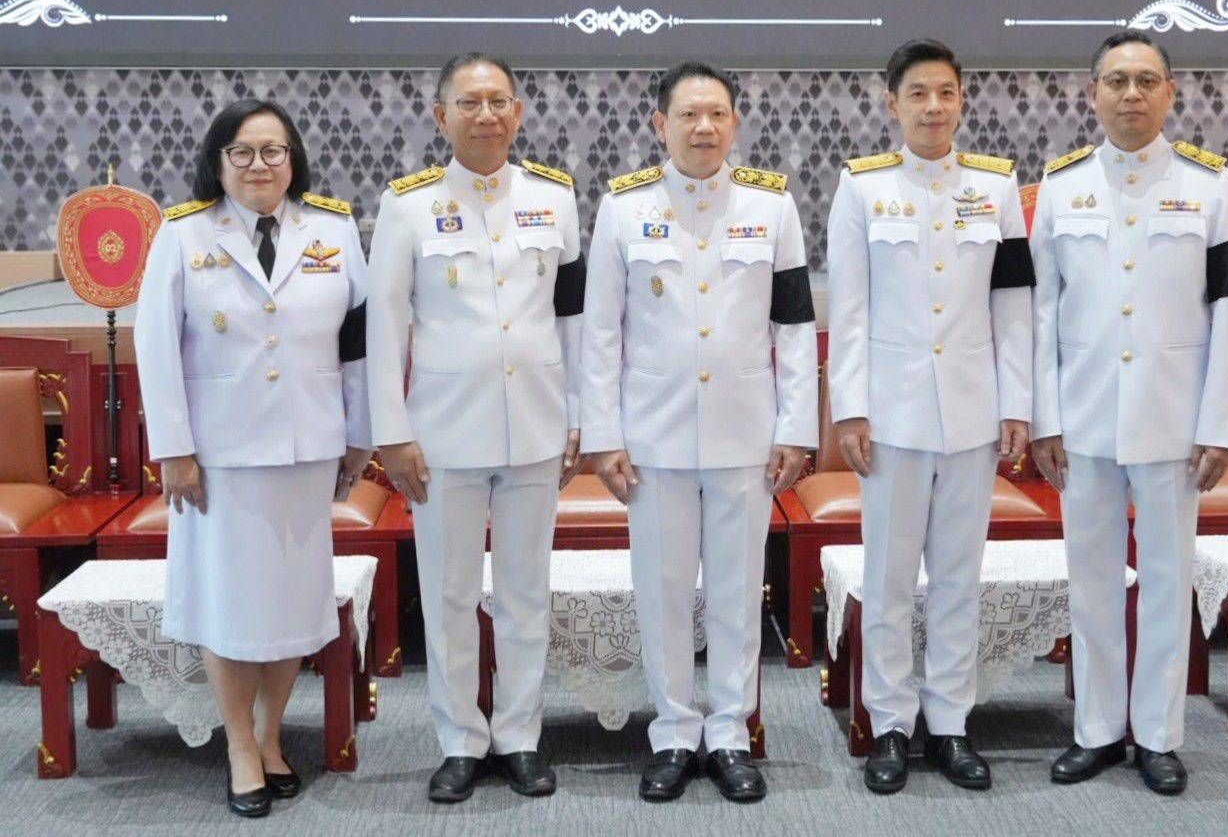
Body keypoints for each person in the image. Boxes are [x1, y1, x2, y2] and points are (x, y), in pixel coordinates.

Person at [581, 61, 817, 803]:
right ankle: (674, 734)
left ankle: (730, 732)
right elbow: (600, 332)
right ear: (660, 124)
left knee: (737, 590)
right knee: (661, 589)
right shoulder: (623, 208)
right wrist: (604, 436)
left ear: (734, 122)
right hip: (652, 437)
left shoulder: (771, 206)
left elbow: (794, 327)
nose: (704, 127)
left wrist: (796, 427)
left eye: (717, 114)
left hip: (746, 434)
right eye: (687, 114)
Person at [1030, 29, 1228, 795]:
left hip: (1172, 419)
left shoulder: (1209, 184)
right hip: (1084, 417)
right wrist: (1044, 417)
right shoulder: (1060, 184)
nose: (1131, 93)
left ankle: (1157, 735)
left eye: (1146, 80)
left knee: (1166, 578)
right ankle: (1096, 730)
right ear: (1091, 92)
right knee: (1090, 579)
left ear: (1169, 92)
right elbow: (1041, 310)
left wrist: (1218, 423)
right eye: (1116, 80)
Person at [135, 97, 371, 818]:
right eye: (242, 151)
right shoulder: (182, 233)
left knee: (291, 601)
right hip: (220, 455)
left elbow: (358, 343)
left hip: (308, 446)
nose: (259, 164)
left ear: (292, 158)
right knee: (230, 603)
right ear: (219, 160)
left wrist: (360, 431)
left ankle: (271, 736)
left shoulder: (333, 228)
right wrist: (174, 449)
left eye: (273, 150)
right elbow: (155, 346)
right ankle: (239, 744)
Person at [366, 53, 584, 803]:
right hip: (442, 435)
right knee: (451, 593)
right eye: (469, 103)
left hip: (536, 426)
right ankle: (460, 739)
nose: (485, 115)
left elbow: (572, 318)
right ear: (441, 115)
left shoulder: (554, 196)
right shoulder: (407, 205)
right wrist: (391, 431)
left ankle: (519, 736)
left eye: (498, 101)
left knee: (526, 593)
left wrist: (579, 415)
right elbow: (385, 325)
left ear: (518, 111)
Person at [826, 39, 1034, 794]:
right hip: (891, 414)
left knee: (957, 575)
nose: (933, 106)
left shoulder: (997, 185)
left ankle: (949, 722)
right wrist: (850, 408)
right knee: (887, 575)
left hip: (974, 411)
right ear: (892, 103)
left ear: (961, 99)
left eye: (945, 92)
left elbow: (1013, 305)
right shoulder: (861, 186)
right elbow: (848, 309)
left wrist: (1017, 403)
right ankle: (889, 722)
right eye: (917, 93)